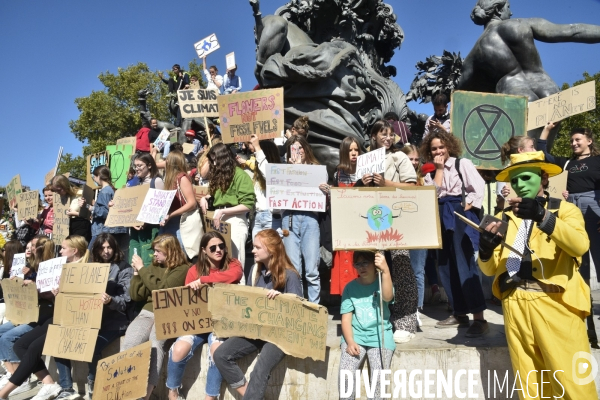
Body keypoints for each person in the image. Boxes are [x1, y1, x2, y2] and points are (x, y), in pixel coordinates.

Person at [478, 151, 596, 398]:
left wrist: (543, 216)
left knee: (574, 384)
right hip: (515, 305)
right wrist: (486, 250)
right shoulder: (503, 218)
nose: (520, 185)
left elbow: (579, 246)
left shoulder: (566, 210)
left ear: (543, 178)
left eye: (526, 177)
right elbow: (490, 269)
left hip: (556, 304)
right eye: (515, 180)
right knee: (531, 385)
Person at [213, 229, 302, 399]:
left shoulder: (290, 276)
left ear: (271, 250)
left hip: (280, 335)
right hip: (258, 331)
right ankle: (249, 395)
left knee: (260, 370)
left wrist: (284, 299)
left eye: (257, 247)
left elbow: (300, 311)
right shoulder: (255, 272)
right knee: (221, 354)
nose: (252, 250)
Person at [459, 0, 600, 101]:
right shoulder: (522, 24)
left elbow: (459, 93)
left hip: (514, 93)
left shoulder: (474, 55)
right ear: (498, 10)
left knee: (524, 143)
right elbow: (572, 31)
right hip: (547, 88)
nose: (511, 12)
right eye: (508, 7)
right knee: (544, 141)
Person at [0, 236, 87, 400]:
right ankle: (49, 384)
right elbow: (49, 291)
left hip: (69, 319)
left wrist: (42, 288)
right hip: (54, 316)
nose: (60, 251)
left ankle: (5, 392)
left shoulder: (83, 270)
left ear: (74, 251)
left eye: (63, 248)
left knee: (33, 347)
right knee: (20, 345)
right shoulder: (60, 267)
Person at [421, 130, 488, 337]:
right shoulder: (429, 172)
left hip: (459, 215)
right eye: (434, 148)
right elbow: (432, 194)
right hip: (439, 215)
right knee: (445, 267)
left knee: (465, 265)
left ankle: (479, 318)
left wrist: (466, 208)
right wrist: (439, 170)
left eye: (441, 146)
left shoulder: (462, 164)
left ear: (449, 146)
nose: (438, 151)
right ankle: (459, 312)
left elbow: (478, 187)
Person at [53, 233, 132, 399]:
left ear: (115, 248)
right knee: (59, 340)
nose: (106, 251)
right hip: (88, 319)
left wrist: (110, 300)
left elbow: (125, 301)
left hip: (114, 322)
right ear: (96, 250)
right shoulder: (89, 268)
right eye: (102, 248)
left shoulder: (124, 268)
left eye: (109, 247)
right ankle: (66, 388)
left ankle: (93, 383)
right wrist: (61, 292)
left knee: (90, 345)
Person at [166, 232, 243, 400]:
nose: (218, 250)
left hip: (222, 322)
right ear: (203, 251)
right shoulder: (194, 270)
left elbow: (234, 276)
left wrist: (203, 281)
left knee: (217, 351)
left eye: (221, 246)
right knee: (179, 349)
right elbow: (187, 302)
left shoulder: (233, 264)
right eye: (213, 248)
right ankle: (172, 391)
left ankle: (211, 396)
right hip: (197, 323)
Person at [362, 120, 419, 343]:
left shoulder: (400, 157)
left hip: (397, 219)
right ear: (374, 136)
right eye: (382, 134)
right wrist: (363, 182)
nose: (387, 138)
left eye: (390, 134)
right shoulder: (366, 159)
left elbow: (412, 187)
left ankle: (405, 320)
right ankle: (380, 317)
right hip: (372, 220)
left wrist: (385, 182)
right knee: (374, 265)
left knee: (401, 264)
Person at [122, 234, 189, 400]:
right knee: (130, 342)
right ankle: (127, 390)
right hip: (147, 312)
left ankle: (146, 394)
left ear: (170, 252)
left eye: (158, 251)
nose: (154, 255)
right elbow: (137, 295)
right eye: (154, 251)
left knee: (155, 344)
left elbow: (162, 291)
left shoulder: (182, 269)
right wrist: (137, 274)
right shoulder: (153, 266)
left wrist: (143, 270)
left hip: (168, 313)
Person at [537, 122, 600, 282]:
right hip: (573, 208)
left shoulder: (597, 160)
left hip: (594, 206)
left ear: (589, 141)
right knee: (578, 252)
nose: (573, 143)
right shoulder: (566, 163)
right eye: (571, 141)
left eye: (577, 140)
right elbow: (542, 154)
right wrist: (546, 130)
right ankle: (585, 301)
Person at [339, 251, 394, 400]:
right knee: (346, 376)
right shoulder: (350, 288)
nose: (361, 267)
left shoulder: (383, 281)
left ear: (374, 263)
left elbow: (388, 297)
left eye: (365, 263)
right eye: (357, 264)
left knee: (379, 381)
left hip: (380, 336)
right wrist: (350, 342)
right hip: (355, 336)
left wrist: (386, 270)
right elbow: (346, 319)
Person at [199, 144, 255, 281]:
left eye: (214, 159)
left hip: (235, 220)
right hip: (219, 220)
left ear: (223, 158)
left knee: (236, 263)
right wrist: (204, 199)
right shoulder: (219, 176)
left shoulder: (240, 175)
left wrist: (224, 211)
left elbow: (248, 204)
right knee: (221, 263)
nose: (213, 163)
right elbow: (214, 195)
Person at [282, 135, 327, 304]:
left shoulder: (317, 170)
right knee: (294, 269)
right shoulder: (283, 170)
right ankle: (298, 307)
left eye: (300, 147)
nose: (298, 151)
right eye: (293, 148)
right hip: (290, 218)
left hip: (310, 219)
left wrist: (327, 191)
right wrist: (292, 171)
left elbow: (321, 196)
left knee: (311, 270)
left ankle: (314, 308)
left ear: (306, 149)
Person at [400, 144, 441, 320]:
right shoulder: (396, 177)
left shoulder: (425, 178)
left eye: (417, 159)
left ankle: (416, 309)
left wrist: (435, 173)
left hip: (420, 229)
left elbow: (436, 193)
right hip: (400, 229)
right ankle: (402, 308)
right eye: (410, 159)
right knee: (401, 270)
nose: (414, 162)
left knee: (417, 269)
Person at [330, 137, 361, 296]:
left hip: (360, 226)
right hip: (343, 226)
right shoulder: (338, 173)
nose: (354, 153)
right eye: (350, 150)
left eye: (356, 150)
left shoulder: (365, 172)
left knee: (359, 262)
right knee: (345, 263)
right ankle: (347, 299)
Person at [123, 153, 164, 265]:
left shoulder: (156, 181)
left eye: (140, 165)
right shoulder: (133, 183)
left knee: (147, 261)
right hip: (135, 229)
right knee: (134, 259)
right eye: (135, 166)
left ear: (149, 165)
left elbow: (161, 207)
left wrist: (146, 221)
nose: (137, 169)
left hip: (150, 229)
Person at [83, 166, 129, 257]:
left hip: (101, 231)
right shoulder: (109, 190)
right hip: (103, 230)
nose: (94, 180)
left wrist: (90, 207)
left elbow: (105, 212)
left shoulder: (105, 192)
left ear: (99, 176)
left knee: (91, 256)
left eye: (94, 177)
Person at [159, 151, 198, 253]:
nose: (165, 162)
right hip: (169, 221)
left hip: (180, 222)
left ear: (172, 162)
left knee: (179, 254)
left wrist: (171, 215)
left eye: (167, 160)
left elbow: (192, 203)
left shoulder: (182, 178)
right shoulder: (169, 178)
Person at [247, 135, 281, 239]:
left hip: (271, 218)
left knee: (271, 253)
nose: (255, 156)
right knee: (258, 252)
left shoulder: (277, 174)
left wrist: (257, 148)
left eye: (258, 154)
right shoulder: (257, 174)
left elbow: (269, 175)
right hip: (258, 217)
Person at [50, 175, 91, 242]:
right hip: (67, 227)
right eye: (55, 191)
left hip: (80, 226)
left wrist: (76, 213)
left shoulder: (81, 193)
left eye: (59, 190)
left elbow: (91, 211)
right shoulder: (60, 198)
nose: (57, 193)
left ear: (64, 186)